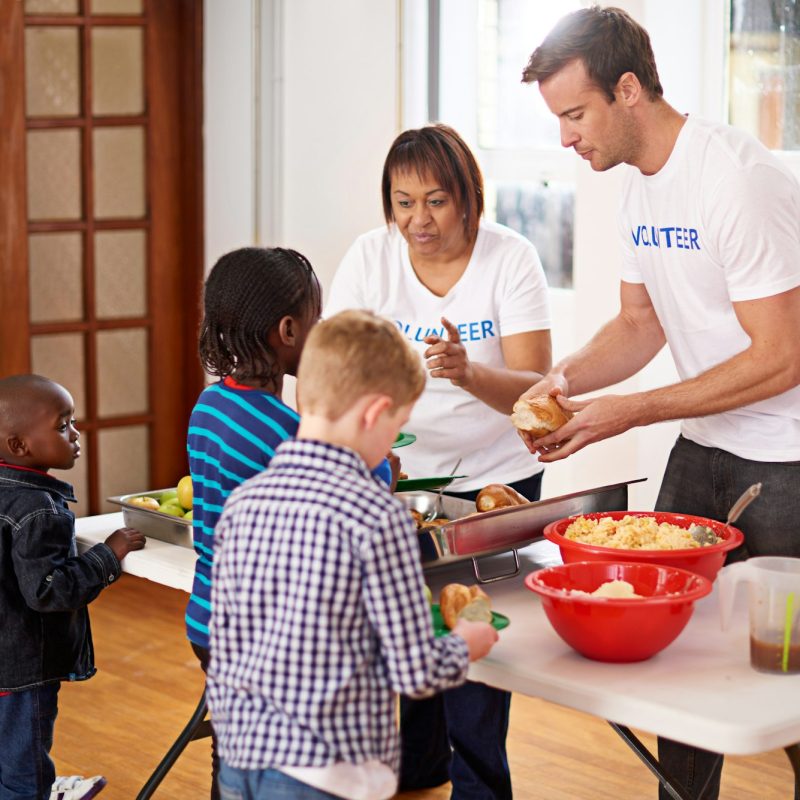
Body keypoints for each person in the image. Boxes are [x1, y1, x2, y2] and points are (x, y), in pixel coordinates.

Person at [519, 7, 800, 799]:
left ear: (630, 89)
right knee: (677, 684)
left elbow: (782, 357)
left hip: (786, 461)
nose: (566, 139)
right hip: (703, 448)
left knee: (789, 686)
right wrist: (567, 381)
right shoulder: (641, 190)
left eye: (576, 114)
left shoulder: (735, 180)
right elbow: (641, 324)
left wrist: (636, 410)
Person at [326, 123, 552, 799]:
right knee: (410, 621)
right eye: (402, 203)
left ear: (467, 199)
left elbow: (537, 387)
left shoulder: (511, 258)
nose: (417, 220)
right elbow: (335, 361)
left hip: (496, 478)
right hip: (397, 475)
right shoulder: (372, 256)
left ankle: (481, 788)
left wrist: (465, 372)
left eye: (435, 201)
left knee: (477, 632)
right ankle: (419, 771)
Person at [206, 309, 498, 800]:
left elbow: (228, 636)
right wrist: (467, 641)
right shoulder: (375, 516)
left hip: (239, 758)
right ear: (373, 413)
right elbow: (415, 670)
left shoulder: (244, 502)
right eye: (397, 425)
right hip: (327, 773)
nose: (392, 443)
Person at [184, 247, 395, 798]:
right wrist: (379, 462)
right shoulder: (285, 431)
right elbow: (361, 499)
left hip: (210, 616)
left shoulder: (208, 407)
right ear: (287, 330)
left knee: (237, 749)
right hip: (275, 628)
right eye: (316, 321)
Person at [0, 374, 145, 800]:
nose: (76, 433)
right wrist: (107, 555)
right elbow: (49, 590)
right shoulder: (37, 509)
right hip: (22, 671)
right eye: (63, 425)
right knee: (25, 771)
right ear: (20, 446)